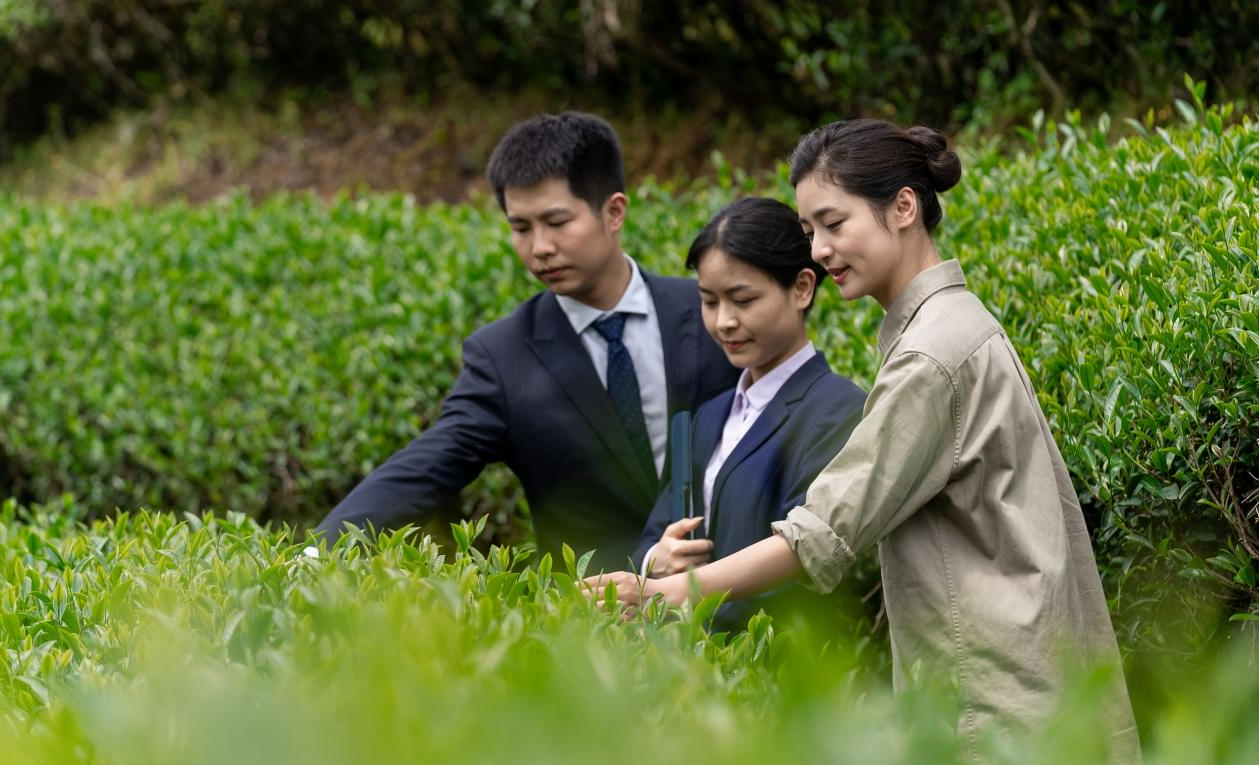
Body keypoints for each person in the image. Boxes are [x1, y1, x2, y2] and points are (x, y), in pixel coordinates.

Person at [588, 119, 1140, 761]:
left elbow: (826, 532)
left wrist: (674, 592)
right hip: (1013, 684)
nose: (818, 251)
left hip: (993, 702)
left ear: (903, 207)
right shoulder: (953, 327)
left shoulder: (932, 354)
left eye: (833, 223)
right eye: (808, 232)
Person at [316, 112, 738, 570]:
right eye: (521, 228)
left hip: (736, 605)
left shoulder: (708, 315)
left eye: (556, 222)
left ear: (614, 212)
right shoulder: (503, 358)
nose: (539, 247)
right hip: (594, 622)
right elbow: (427, 466)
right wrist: (314, 555)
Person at [630, 197, 865, 629]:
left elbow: (808, 559)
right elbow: (658, 527)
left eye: (742, 299)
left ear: (802, 288)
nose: (724, 322)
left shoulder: (837, 410)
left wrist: (684, 593)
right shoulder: (710, 414)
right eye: (709, 301)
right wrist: (655, 559)